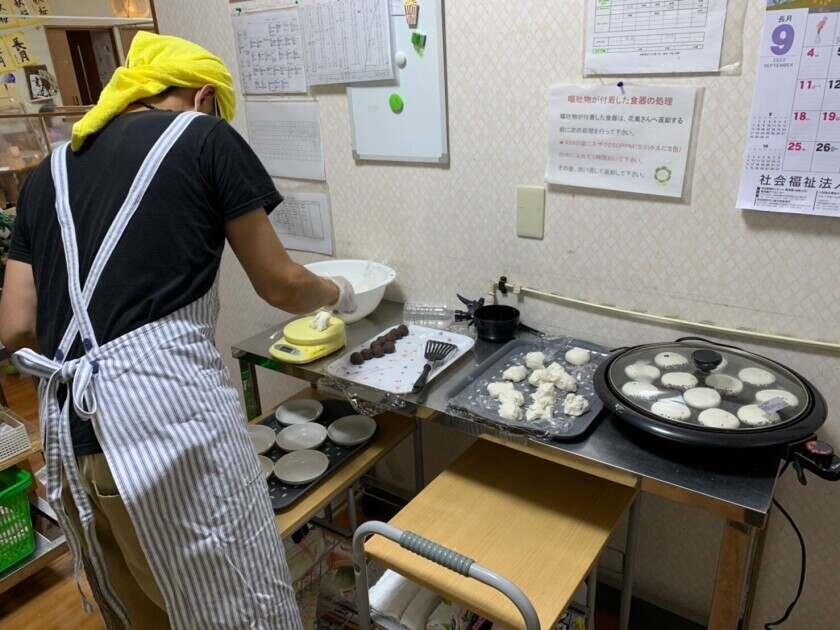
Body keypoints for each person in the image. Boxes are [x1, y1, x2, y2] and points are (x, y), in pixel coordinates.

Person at [0, 32, 355, 629]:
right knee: (244, 612)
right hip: (171, 437)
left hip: (78, 442)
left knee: (146, 618)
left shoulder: (48, 171)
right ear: (203, 97)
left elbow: (14, 327)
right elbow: (281, 284)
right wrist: (338, 294)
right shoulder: (205, 138)